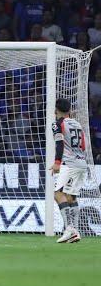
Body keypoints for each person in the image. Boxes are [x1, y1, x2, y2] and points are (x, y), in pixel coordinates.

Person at [50, 98, 87, 244]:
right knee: (71, 197)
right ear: (69, 110)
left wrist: (57, 163)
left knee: (58, 194)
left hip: (69, 164)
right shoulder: (77, 124)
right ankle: (75, 231)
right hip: (81, 163)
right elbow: (83, 146)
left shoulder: (57, 124)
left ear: (56, 110)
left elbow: (59, 144)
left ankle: (69, 229)